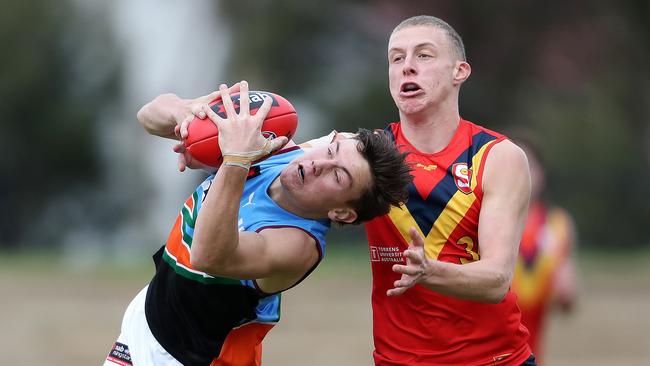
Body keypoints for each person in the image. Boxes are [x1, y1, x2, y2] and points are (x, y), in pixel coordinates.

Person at [104, 82, 413, 366]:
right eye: (331, 151)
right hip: (146, 319)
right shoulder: (283, 147)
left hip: (189, 359)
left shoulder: (298, 245)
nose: (320, 163)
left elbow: (208, 255)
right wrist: (190, 116)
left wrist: (234, 159)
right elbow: (148, 114)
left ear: (342, 214)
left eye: (337, 176)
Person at [308, 15, 535, 365]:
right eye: (396, 58)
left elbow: (496, 281)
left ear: (460, 71)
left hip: (496, 359)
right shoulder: (359, 153)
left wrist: (429, 271)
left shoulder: (498, 157)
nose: (407, 67)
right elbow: (279, 154)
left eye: (424, 56)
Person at [510, 134, 578, 364]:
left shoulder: (558, 225)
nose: (520, 174)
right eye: (511, 166)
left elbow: (567, 299)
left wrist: (566, 293)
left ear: (541, 173)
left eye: (528, 165)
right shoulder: (475, 222)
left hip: (532, 353)